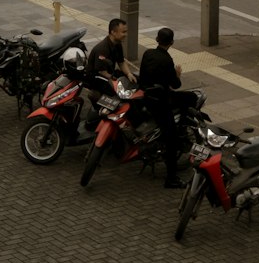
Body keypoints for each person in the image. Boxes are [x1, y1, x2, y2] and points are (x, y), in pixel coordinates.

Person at [138, 26, 196, 189]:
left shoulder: (148, 54)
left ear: (157, 40)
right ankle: (171, 178)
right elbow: (175, 85)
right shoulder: (167, 60)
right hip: (161, 103)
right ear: (171, 42)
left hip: (146, 97)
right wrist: (177, 74)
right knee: (172, 138)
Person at [84, 17, 137, 125]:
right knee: (121, 94)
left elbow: (121, 62)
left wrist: (129, 74)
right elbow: (101, 72)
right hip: (98, 79)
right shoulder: (103, 48)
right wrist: (116, 83)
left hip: (109, 74)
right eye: (123, 32)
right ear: (113, 32)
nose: (125, 34)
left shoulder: (117, 44)